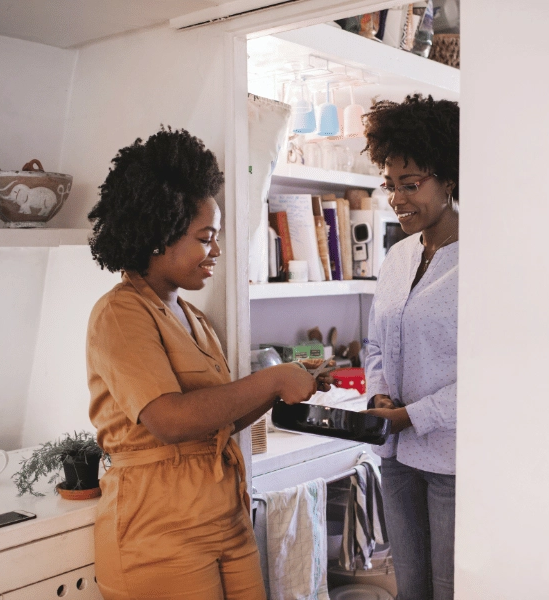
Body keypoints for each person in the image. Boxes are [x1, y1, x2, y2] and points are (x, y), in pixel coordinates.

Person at [85, 127, 321, 600]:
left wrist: (279, 391)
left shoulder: (192, 317)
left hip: (224, 520)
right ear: (158, 236)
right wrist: (271, 378)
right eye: (205, 238)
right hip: (159, 533)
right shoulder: (120, 313)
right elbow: (169, 419)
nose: (215, 251)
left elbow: (220, 417)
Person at [361, 94, 460, 600]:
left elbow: (490, 377)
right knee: (411, 592)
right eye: (391, 185)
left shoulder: (483, 260)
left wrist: (412, 415)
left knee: (449, 592)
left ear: (448, 179)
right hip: (397, 456)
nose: (397, 199)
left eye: (411, 184)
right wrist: (380, 397)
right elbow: (376, 340)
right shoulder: (398, 256)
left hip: (450, 461)